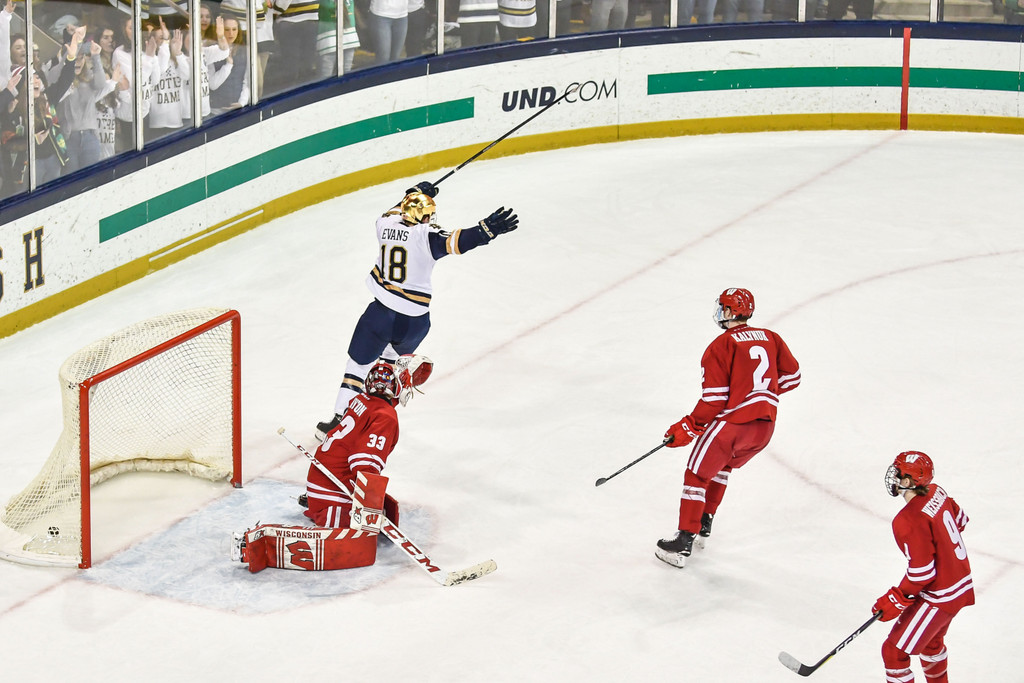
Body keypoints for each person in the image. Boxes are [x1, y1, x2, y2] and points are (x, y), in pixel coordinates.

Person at [315, 181, 519, 440]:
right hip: (415, 322)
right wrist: (486, 230)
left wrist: (414, 193)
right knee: (389, 370)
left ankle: (340, 424)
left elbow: (393, 211)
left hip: (380, 316)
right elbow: (458, 241)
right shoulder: (426, 237)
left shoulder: (385, 224)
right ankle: (373, 427)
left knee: (358, 367)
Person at [656, 287, 801, 568]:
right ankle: (705, 522)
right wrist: (760, 395)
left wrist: (688, 426)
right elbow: (792, 377)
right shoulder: (771, 337)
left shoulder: (721, 345)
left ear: (729, 312)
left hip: (732, 426)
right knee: (722, 467)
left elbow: (714, 400)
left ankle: (683, 541)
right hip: (764, 429)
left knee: (696, 475)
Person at [873, 451, 974, 683]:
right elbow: (960, 520)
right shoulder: (937, 491)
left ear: (908, 482)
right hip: (960, 586)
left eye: (898, 473)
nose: (894, 476)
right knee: (931, 644)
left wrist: (896, 599)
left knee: (894, 652)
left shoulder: (908, 520)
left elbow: (923, 573)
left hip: (940, 596)